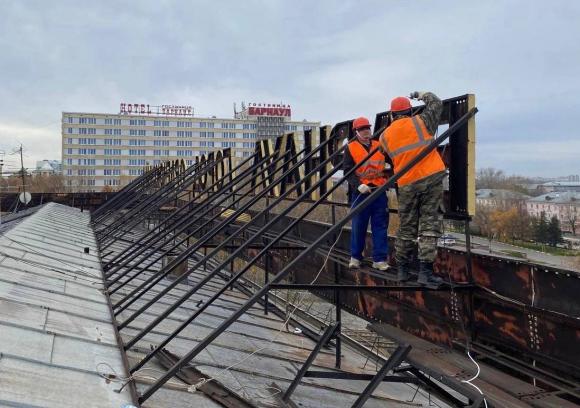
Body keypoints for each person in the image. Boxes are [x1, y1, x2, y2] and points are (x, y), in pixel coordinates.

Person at [379, 92, 445, 288]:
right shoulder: (421, 122)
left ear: (391, 115)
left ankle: (402, 271)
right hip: (431, 178)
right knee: (429, 224)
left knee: (406, 226)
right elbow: (436, 102)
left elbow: (388, 155)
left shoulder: (384, 136)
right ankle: (425, 273)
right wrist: (420, 94)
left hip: (407, 184)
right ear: (409, 111)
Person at [342, 116, 389, 271]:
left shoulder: (379, 145)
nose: (366, 131)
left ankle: (380, 260)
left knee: (380, 226)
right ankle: (355, 257)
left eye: (367, 128)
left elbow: (392, 162)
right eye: (362, 129)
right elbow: (348, 171)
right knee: (358, 225)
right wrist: (358, 185)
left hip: (378, 191)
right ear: (356, 131)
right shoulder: (350, 147)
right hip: (361, 192)